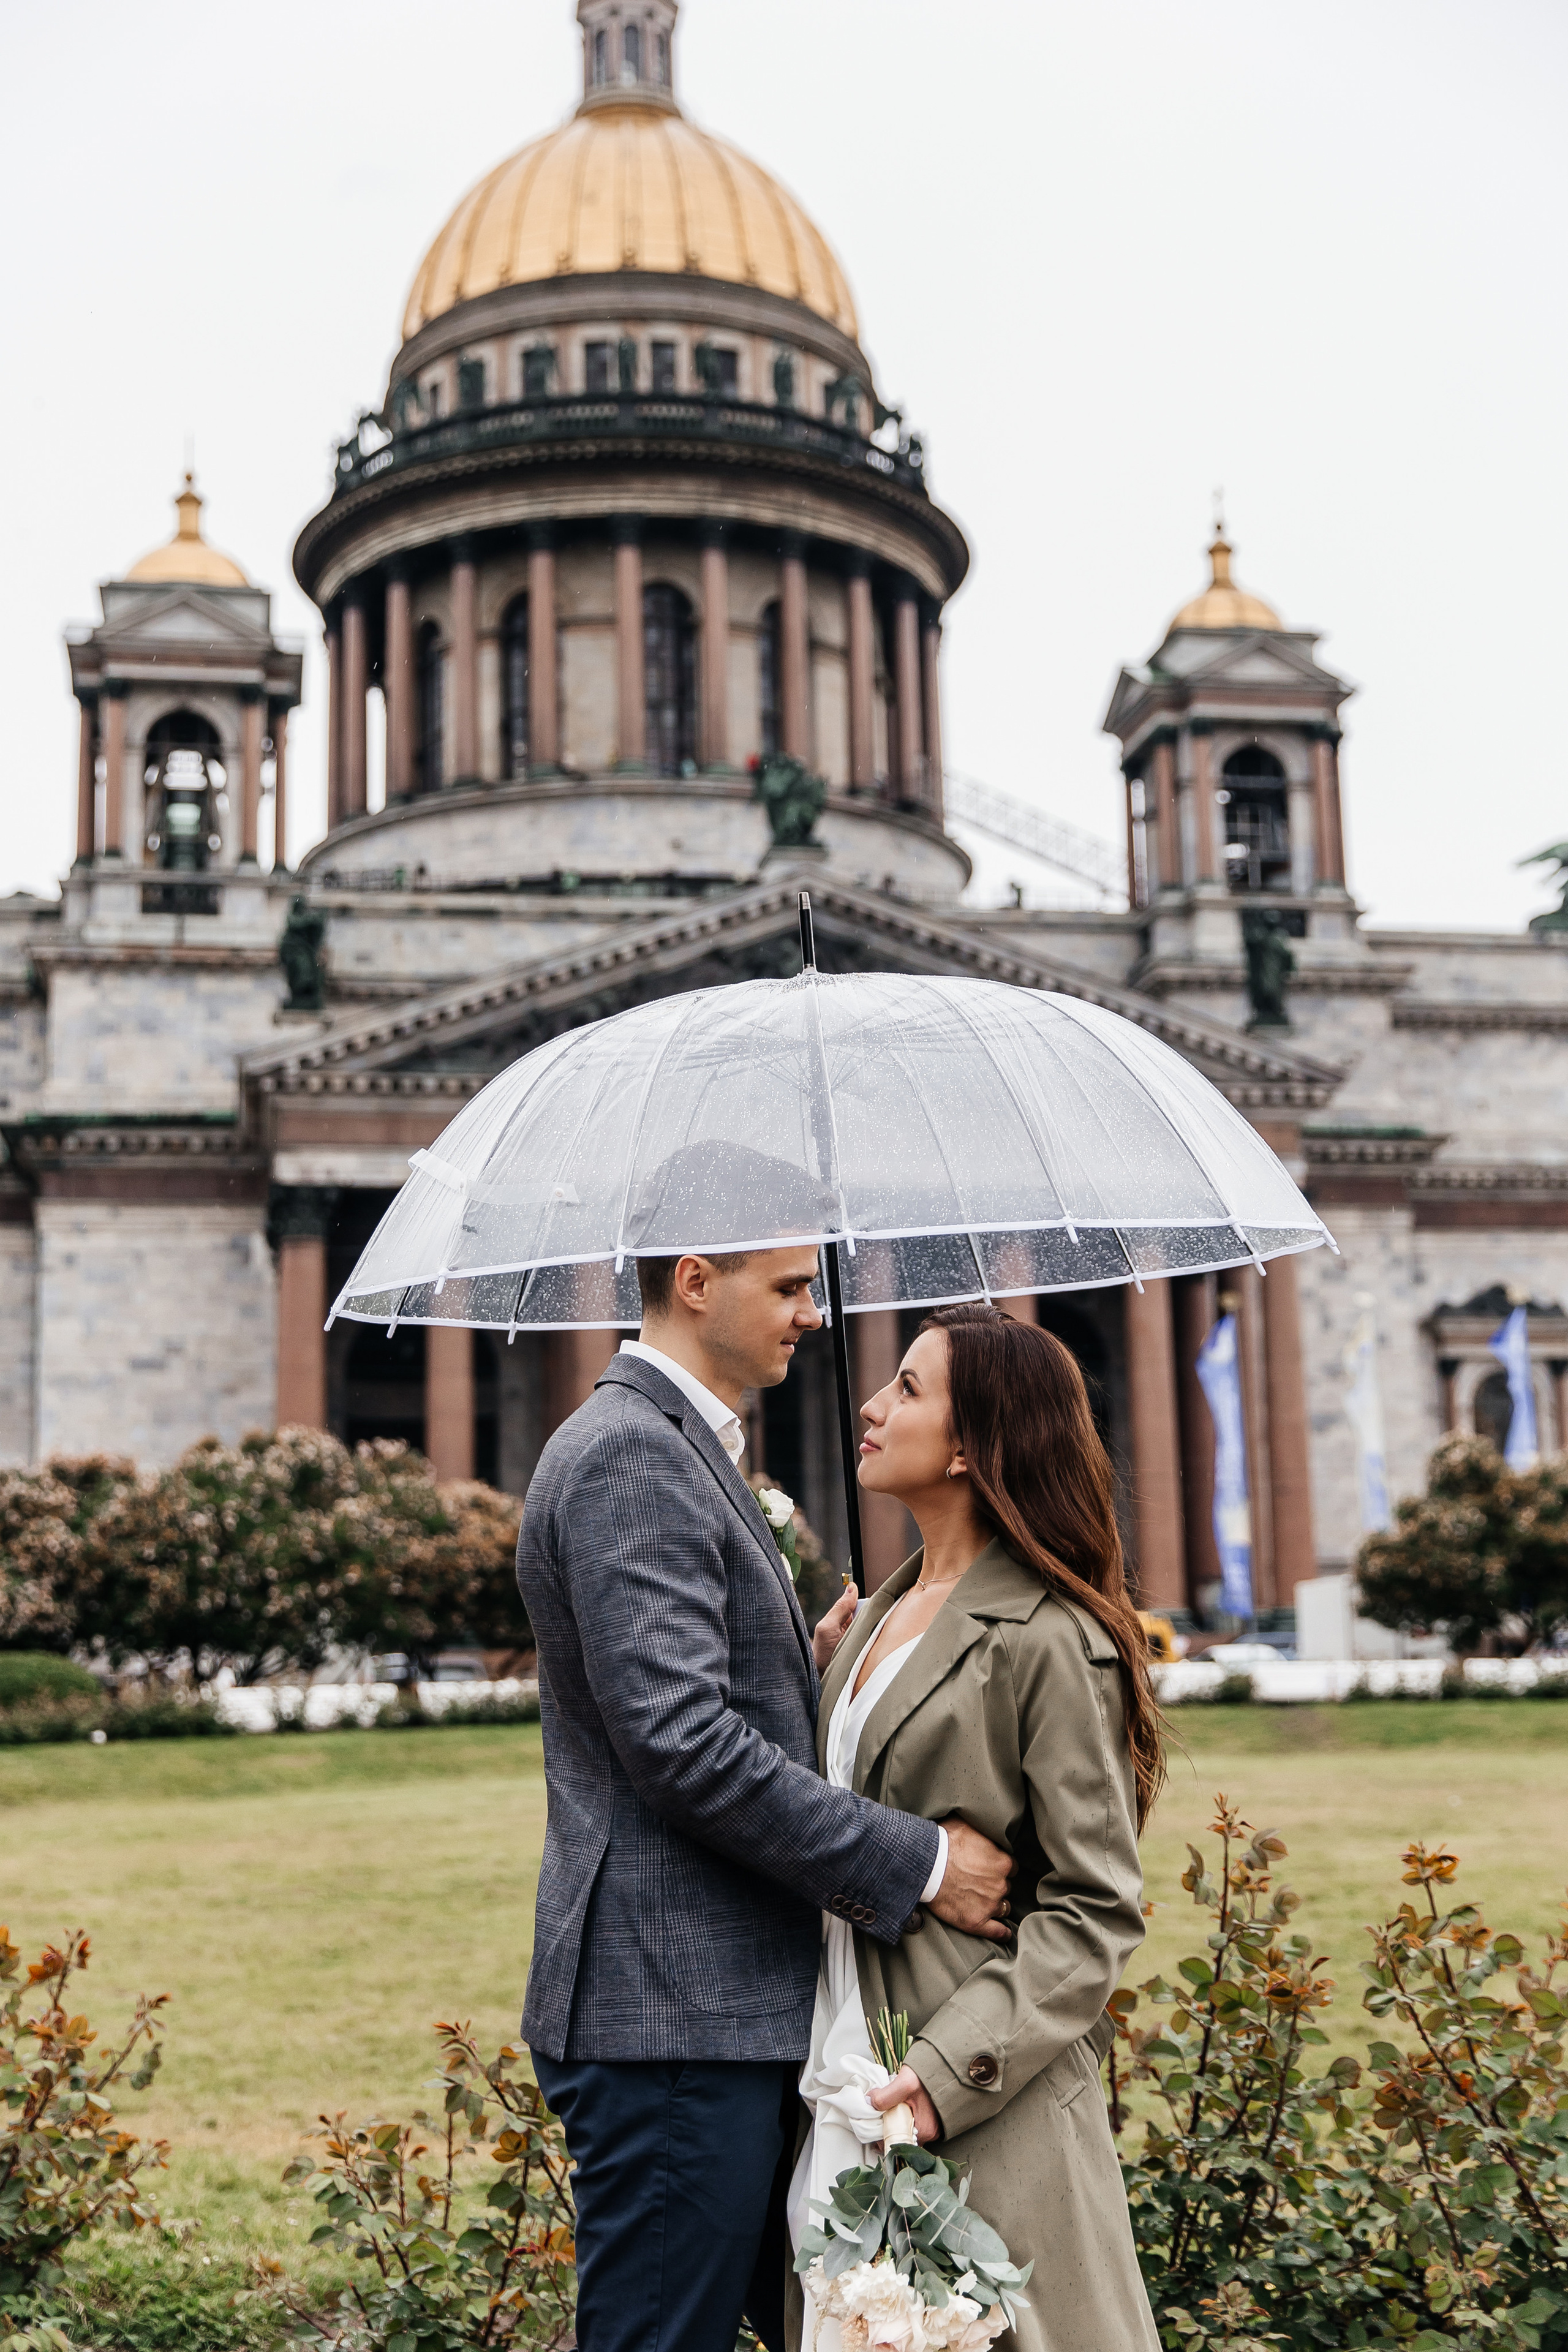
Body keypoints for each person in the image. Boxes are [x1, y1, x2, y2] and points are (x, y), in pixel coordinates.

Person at [517, 1246, 1017, 2352]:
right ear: (697, 1282)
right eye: (791, 1287)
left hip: (695, 2007)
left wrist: (800, 1657)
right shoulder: (634, 1457)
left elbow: (674, 1702)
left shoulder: (666, 1445)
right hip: (675, 2012)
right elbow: (681, 1745)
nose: (814, 1313)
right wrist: (925, 1865)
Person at [787, 1302, 1164, 2352]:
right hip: (840, 2062)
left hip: (964, 2105)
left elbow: (1093, 1911)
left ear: (971, 1445)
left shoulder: (1053, 1638)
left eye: (908, 1388)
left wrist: (948, 2077)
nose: (871, 1403)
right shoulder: (873, 1616)